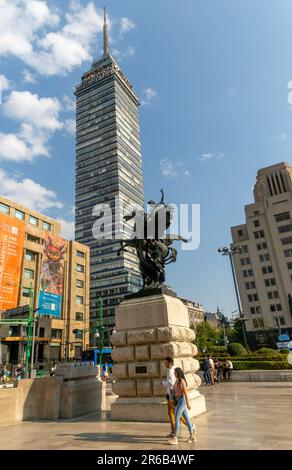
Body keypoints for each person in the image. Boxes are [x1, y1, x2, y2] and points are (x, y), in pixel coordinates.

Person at [168, 368, 196, 445]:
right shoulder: (176, 381)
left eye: (175, 373)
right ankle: (192, 434)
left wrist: (188, 403)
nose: (174, 374)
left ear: (178, 373)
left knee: (177, 417)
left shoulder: (182, 381)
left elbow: (186, 393)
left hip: (182, 400)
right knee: (186, 418)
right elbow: (174, 392)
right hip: (178, 400)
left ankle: (175, 438)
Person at [162, 357, 188, 438]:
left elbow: (172, 384)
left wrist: (163, 383)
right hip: (173, 395)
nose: (164, 364)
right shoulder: (174, 369)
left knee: (174, 414)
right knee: (174, 413)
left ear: (170, 363)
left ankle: (175, 431)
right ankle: (190, 426)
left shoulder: (170, 371)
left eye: (165, 362)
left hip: (172, 396)